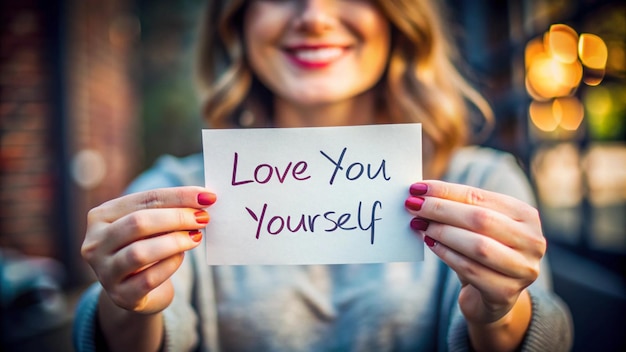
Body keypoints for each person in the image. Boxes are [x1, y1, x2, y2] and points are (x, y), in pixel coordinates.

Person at [73, 1, 573, 351]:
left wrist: (501, 312)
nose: (313, 15)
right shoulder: (172, 198)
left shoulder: (480, 185)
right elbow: (143, 330)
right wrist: (127, 305)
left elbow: (538, 337)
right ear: (238, 20)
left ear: (398, 16)